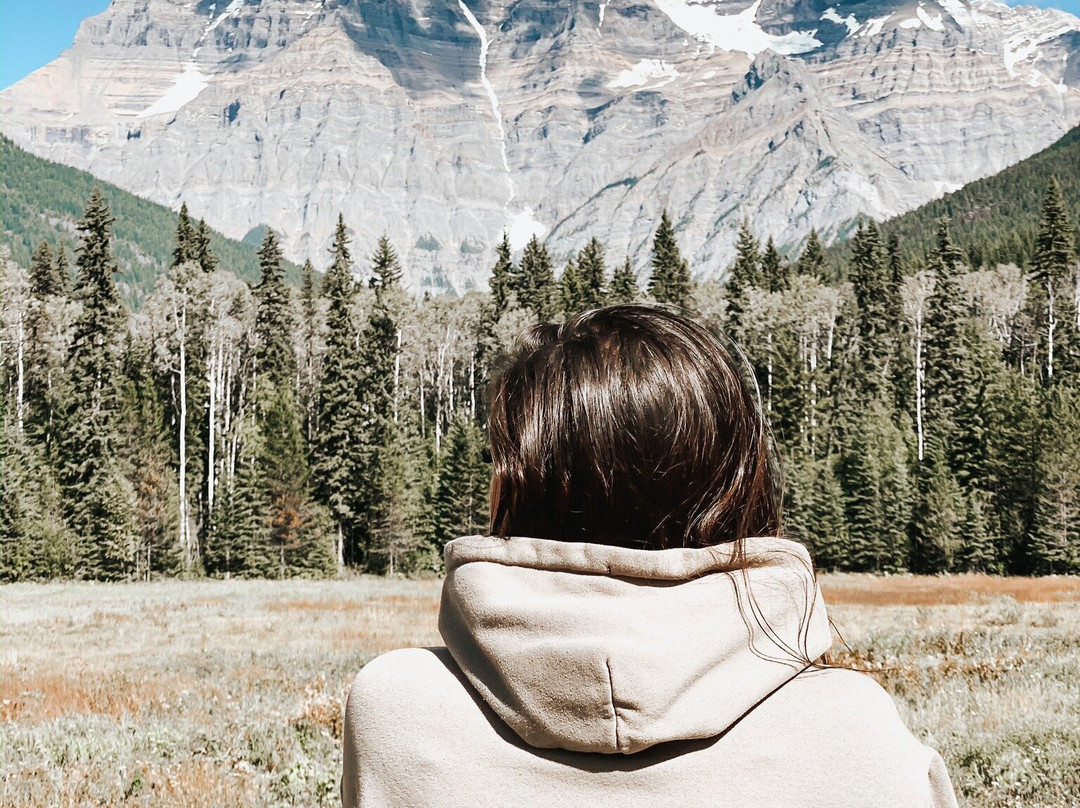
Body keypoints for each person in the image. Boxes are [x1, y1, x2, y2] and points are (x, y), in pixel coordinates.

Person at [341, 304, 959, 808]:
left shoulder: (399, 708)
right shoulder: (857, 733)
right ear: (735, 486)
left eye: (499, 462)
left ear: (524, 491)